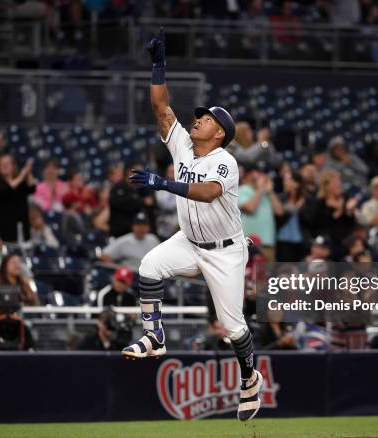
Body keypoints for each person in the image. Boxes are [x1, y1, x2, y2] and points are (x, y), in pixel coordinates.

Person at [120, 30, 264, 422]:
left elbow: (205, 193)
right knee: (148, 266)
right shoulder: (183, 144)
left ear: (220, 132)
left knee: (233, 328)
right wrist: (158, 66)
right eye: (199, 115)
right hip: (191, 240)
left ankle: (250, 377)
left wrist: (164, 183)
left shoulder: (226, 160)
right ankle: (154, 335)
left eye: (206, 118)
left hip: (226, 251)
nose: (197, 119)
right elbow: (161, 107)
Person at [238, 164, 283, 262]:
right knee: (246, 273)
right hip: (247, 242)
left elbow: (279, 212)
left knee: (266, 275)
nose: (262, 176)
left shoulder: (267, 193)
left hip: (267, 243)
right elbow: (250, 209)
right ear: (249, 175)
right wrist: (260, 189)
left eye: (263, 173)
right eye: (258, 172)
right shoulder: (241, 190)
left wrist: (270, 191)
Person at [0, 154, 36, 242]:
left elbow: (32, 188)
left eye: (7, 163)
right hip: (3, 227)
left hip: (21, 226)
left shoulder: (19, 182)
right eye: (2, 164)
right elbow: (8, 188)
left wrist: (28, 172)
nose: (5, 166)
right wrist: (22, 175)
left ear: (13, 166)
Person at [109, 162, 153, 238]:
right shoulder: (118, 187)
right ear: (129, 172)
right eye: (138, 172)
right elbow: (120, 204)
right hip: (120, 234)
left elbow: (151, 203)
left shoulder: (142, 189)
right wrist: (142, 201)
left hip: (139, 235)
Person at [275, 172, 306, 262]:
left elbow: (310, 220)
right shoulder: (280, 198)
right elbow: (279, 218)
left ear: (297, 184)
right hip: (283, 240)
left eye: (288, 180)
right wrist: (294, 209)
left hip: (301, 241)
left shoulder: (306, 199)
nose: (284, 182)